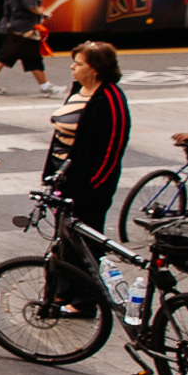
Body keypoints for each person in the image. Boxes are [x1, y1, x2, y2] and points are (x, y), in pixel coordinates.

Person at [46, 40, 132, 238]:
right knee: (64, 238)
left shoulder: (110, 99)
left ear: (95, 70)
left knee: (84, 242)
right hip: (65, 180)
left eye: (79, 63)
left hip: (87, 187)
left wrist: (93, 187)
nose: (72, 67)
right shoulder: (79, 90)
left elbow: (113, 148)